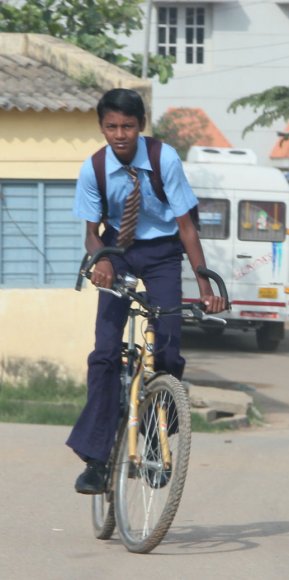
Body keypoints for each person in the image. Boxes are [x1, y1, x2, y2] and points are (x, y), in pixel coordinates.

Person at [66, 88, 226, 494]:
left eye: (128, 126)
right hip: (116, 249)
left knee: (169, 346)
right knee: (104, 352)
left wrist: (204, 284)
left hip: (162, 253)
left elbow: (187, 225)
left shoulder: (163, 159)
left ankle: (157, 439)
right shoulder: (95, 168)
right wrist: (101, 260)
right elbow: (90, 232)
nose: (119, 134)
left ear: (141, 126)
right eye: (111, 126)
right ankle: (98, 460)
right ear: (102, 126)